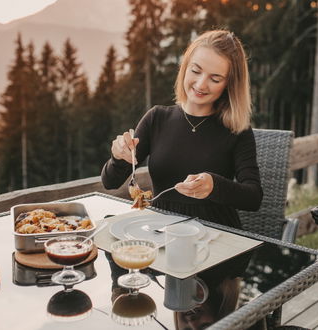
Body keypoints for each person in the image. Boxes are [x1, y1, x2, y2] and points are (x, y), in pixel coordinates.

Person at [101, 29, 262, 229]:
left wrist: (215, 186)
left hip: (218, 236)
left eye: (215, 79)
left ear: (229, 84)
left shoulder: (237, 130)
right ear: (184, 68)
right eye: (195, 71)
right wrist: (118, 157)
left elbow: (254, 198)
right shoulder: (157, 118)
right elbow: (110, 182)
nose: (201, 84)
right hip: (159, 232)